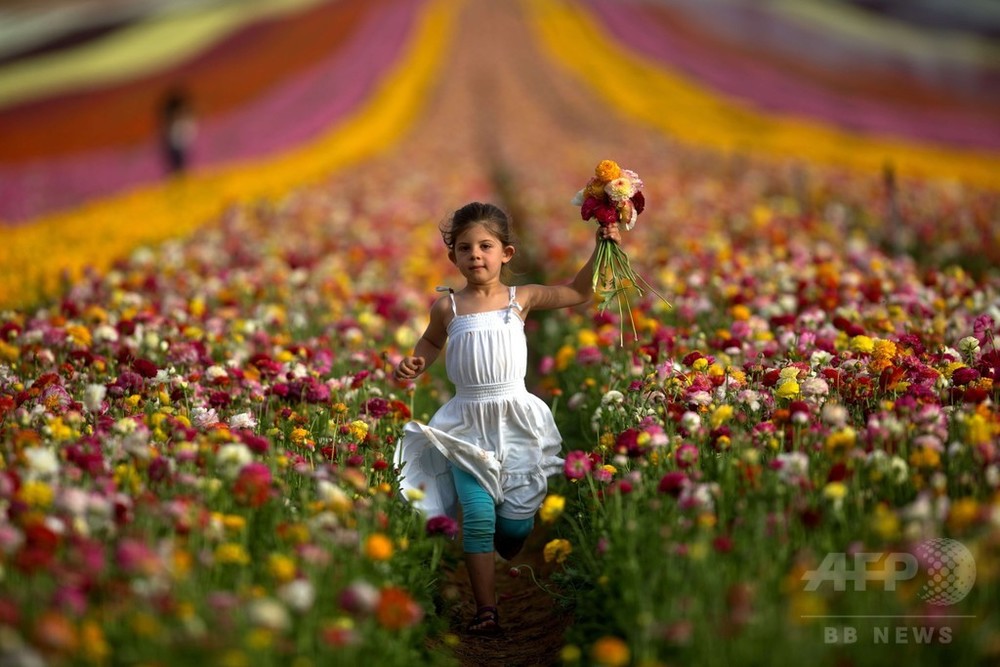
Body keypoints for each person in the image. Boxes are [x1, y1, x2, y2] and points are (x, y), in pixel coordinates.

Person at [392, 201, 621, 635]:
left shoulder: (523, 298)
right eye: (464, 248)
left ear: (506, 253)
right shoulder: (448, 308)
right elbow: (429, 343)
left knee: (514, 527)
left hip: (516, 420)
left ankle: (510, 536)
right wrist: (413, 364)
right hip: (465, 424)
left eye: (485, 246)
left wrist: (600, 246)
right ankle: (486, 611)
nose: (475, 255)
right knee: (478, 516)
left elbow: (578, 291)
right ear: (453, 257)